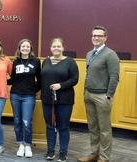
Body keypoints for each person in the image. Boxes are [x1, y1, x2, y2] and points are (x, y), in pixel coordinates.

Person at [78, 26, 119, 162]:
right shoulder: (90, 54)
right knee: (93, 127)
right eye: (94, 35)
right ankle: (94, 154)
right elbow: (88, 74)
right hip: (89, 95)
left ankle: (104, 157)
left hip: (102, 96)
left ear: (105, 38)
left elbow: (114, 77)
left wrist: (109, 96)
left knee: (104, 129)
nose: (96, 38)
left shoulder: (110, 54)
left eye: (99, 36)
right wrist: (85, 91)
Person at [41, 38, 79, 162]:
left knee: (63, 126)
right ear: (50, 48)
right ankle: (50, 151)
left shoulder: (70, 62)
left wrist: (60, 85)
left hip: (65, 100)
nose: (56, 48)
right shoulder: (45, 61)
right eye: (54, 46)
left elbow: (75, 79)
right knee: (49, 126)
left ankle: (63, 152)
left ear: (63, 48)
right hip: (47, 99)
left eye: (59, 46)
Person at [8, 39, 41, 157]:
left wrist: (33, 91)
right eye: (23, 46)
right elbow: (12, 79)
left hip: (28, 96)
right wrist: (0, 81)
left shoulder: (36, 61)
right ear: (19, 48)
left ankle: (27, 145)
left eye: (27, 46)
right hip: (15, 95)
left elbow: (40, 80)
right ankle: (20, 144)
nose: (25, 48)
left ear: (31, 48)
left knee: (27, 122)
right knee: (17, 121)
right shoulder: (15, 62)